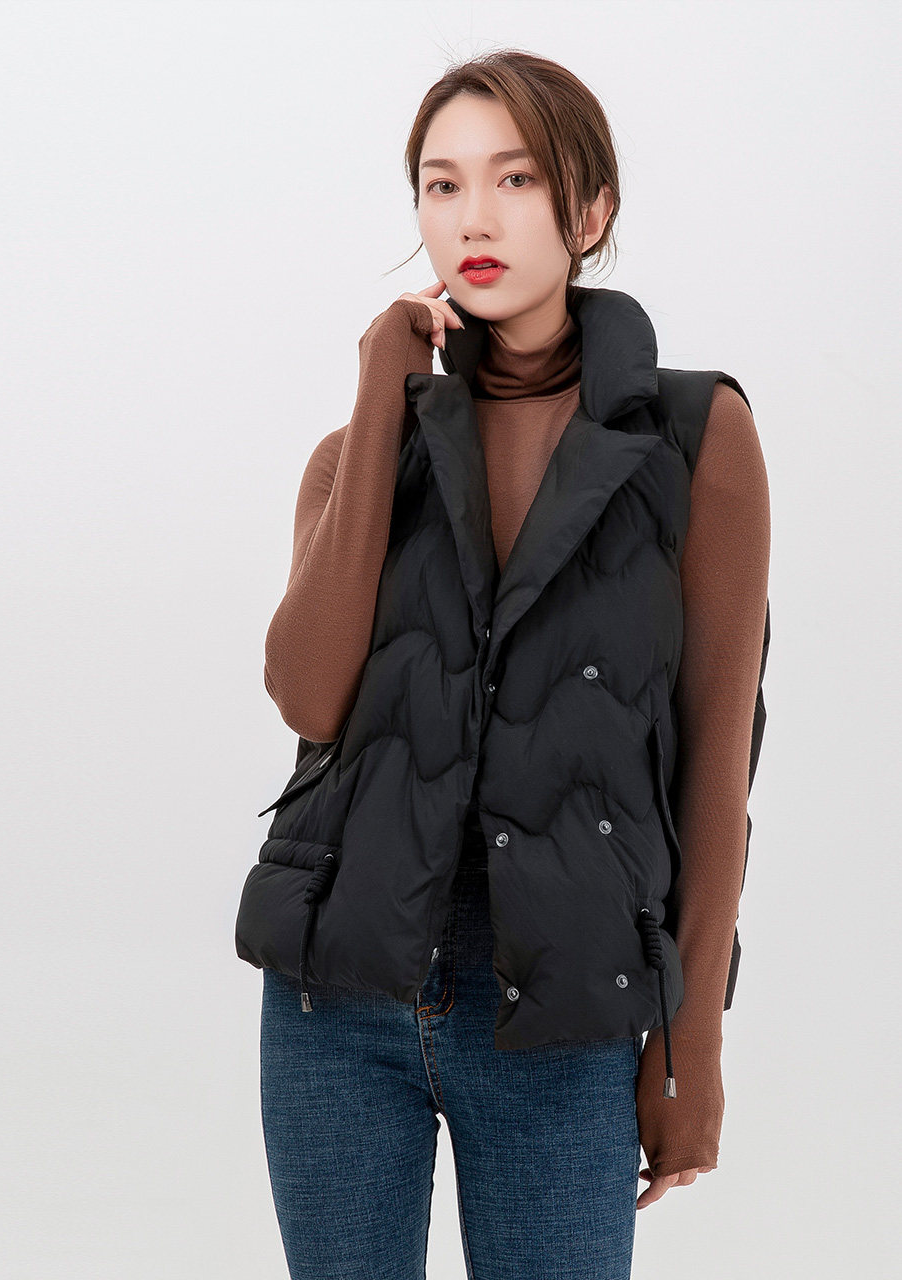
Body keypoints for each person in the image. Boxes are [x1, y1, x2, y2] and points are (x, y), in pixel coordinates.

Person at [245, 49, 770, 1280]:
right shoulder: (357, 451)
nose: (471, 218)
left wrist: (688, 1045)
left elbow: (714, 762)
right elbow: (308, 694)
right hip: (335, 996)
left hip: (562, 1004)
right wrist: (382, 393)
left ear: (589, 210)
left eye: (514, 179)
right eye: (441, 185)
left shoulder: (694, 437)